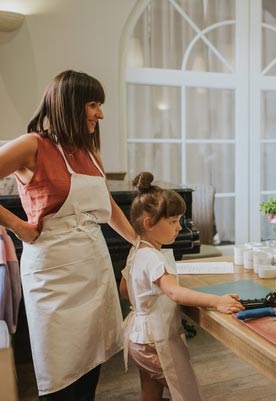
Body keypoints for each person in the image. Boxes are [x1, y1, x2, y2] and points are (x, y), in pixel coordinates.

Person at [0, 70, 136, 399]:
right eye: (93, 104)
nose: (100, 114)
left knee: (91, 368)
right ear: (68, 104)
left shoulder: (90, 153)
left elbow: (109, 208)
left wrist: (141, 243)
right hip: (53, 276)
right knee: (59, 375)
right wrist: (18, 227)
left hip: (93, 268)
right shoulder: (32, 145)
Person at [120, 171, 244, 401]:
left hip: (137, 337)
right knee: (187, 392)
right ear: (149, 223)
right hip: (156, 341)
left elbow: (125, 290)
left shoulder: (136, 250)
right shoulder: (154, 258)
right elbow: (174, 292)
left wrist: (151, 292)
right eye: (173, 222)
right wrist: (217, 301)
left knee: (151, 391)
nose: (179, 228)